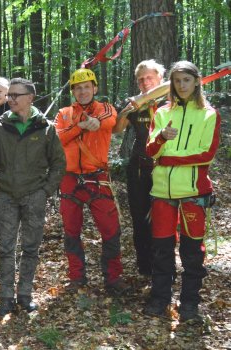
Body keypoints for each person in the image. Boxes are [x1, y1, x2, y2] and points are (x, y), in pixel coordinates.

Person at [0, 78, 66, 316]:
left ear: (29, 98)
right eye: (8, 95)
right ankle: (6, 298)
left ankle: (25, 295)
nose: (9, 99)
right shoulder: (2, 124)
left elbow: (59, 163)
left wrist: (45, 192)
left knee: (31, 248)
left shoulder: (45, 127)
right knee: (6, 248)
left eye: (14, 95)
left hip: (34, 195)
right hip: (7, 195)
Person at [143, 61, 220, 323]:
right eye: (177, 81)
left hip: (193, 192)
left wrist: (170, 158)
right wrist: (162, 138)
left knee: (192, 252)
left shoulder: (209, 114)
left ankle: (189, 304)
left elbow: (206, 154)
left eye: (186, 80)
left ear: (197, 81)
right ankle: (160, 299)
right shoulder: (162, 112)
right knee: (162, 249)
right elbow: (151, 151)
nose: (182, 85)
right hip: (162, 191)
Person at [55, 68, 127, 294]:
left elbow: (108, 120)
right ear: (73, 91)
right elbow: (58, 137)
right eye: (78, 87)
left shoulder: (105, 108)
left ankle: (113, 279)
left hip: (97, 178)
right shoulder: (64, 113)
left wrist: (93, 122)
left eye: (87, 86)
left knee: (110, 230)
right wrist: (80, 127)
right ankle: (77, 277)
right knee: (71, 230)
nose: (83, 91)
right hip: (69, 180)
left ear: (95, 88)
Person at [113, 59, 166, 276]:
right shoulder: (134, 103)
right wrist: (127, 110)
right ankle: (145, 266)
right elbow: (117, 129)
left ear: (159, 78)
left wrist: (145, 97)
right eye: (141, 79)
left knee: (164, 217)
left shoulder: (170, 98)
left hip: (164, 167)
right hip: (138, 167)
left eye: (149, 77)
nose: (145, 82)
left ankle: (163, 265)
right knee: (139, 217)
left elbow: (175, 82)